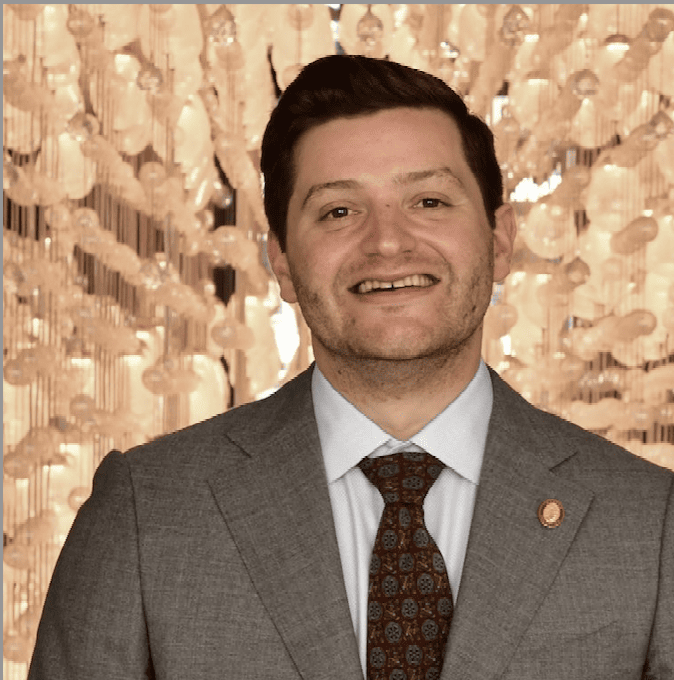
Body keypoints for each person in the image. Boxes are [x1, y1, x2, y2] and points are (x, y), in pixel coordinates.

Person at [29, 55, 672, 680]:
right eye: (339, 211)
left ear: (501, 239)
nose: (388, 242)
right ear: (281, 259)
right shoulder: (148, 510)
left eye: (429, 202)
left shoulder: (648, 520)